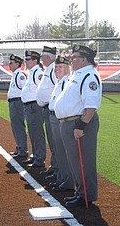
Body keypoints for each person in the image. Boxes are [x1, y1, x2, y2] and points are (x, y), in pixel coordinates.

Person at [54, 44, 102, 208]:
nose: (71, 61)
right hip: (70, 122)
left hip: (80, 123)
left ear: (83, 60)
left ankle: (86, 197)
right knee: (74, 161)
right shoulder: (78, 75)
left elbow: (91, 106)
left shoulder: (89, 76)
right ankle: (80, 193)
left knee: (84, 162)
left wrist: (81, 126)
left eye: (74, 58)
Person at [48, 55, 74, 192]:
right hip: (54, 118)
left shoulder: (65, 82)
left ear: (67, 68)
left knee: (62, 151)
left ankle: (67, 180)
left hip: (59, 119)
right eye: (56, 67)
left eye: (60, 67)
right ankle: (61, 177)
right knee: (58, 150)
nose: (57, 69)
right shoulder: (59, 82)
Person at [21, 50, 46, 168]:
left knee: (37, 132)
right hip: (29, 106)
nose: (26, 61)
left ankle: (39, 158)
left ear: (35, 60)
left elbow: (41, 90)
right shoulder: (32, 72)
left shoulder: (38, 73)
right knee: (32, 132)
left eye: (28, 59)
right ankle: (36, 155)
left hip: (35, 106)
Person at [36, 46, 58, 178]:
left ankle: (57, 169)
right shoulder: (48, 69)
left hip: (51, 109)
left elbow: (58, 88)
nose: (41, 59)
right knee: (51, 140)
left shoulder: (54, 69)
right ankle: (55, 166)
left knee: (54, 141)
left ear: (48, 58)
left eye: (42, 57)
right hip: (46, 108)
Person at [7, 54, 28, 158]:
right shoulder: (15, 74)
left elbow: (25, 90)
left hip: (18, 102)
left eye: (11, 63)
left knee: (19, 126)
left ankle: (22, 149)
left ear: (17, 64)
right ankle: (19, 146)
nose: (9, 65)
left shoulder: (20, 75)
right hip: (13, 102)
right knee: (15, 126)